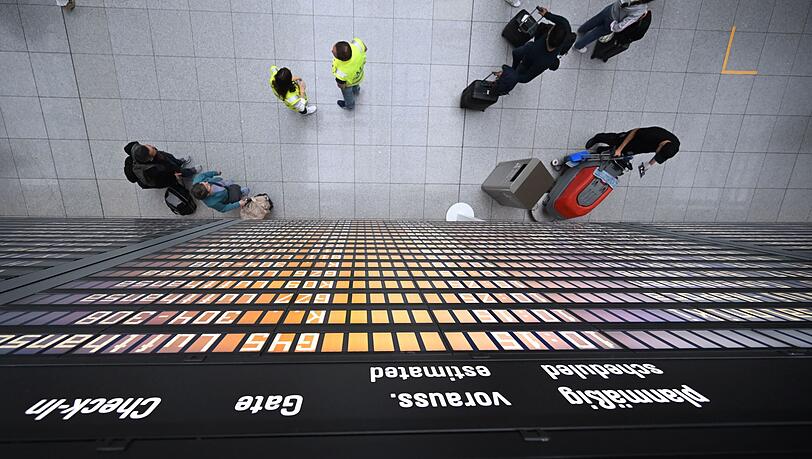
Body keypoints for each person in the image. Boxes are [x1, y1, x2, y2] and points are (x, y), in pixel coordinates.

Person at [508, 6, 572, 91]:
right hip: (532, 63)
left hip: (526, 61)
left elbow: (516, 53)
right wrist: (547, 14)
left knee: (518, 69)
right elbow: (526, 78)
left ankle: (511, 76)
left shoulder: (533, 47)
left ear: (549, 33)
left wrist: (511, 74)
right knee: (519, 73)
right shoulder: (565, 32)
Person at [585, 126, 680, 174]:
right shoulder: (654, 134)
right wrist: (619, 148)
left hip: (643, 146)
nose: (656, 153)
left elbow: (661, 154)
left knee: (623, 153)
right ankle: (598, 138)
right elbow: (634, 132)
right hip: (634, 137)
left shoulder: (672, 148)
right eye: (658, 151)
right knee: (615, 140)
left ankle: (600, 150)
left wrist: (649, 164)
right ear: (662, 144)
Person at [573, 0, 653, 53]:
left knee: (595, 20)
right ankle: (578, 46)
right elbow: (623, 25)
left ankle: (582, 29)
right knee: (596, 33)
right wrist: (614, 27)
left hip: (610, 9)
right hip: (613, 20)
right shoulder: (641, 9)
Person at [123, 141, 200, 189]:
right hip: (165, 172)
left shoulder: (134, 148)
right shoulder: (153, 172)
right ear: (150, 159)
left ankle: (178, 162)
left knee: (171, 159)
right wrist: (174, 178)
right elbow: (162, 181)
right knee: (179, 172)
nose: (153, 147)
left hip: (162, 160)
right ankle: (190, 172)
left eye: (149, 146)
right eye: (153, 150)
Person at [332, 38, 367, 110]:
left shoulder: (341, 72)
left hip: (349, 83)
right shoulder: (357, 44)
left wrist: (343, 88)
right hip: (359, 76)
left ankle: (349, 105)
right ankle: (356, 91)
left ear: (341, 59)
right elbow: (365, 48)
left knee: (347, 94)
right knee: (356, 85)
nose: (331, 50)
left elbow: (341, 85)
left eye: (334, 53)